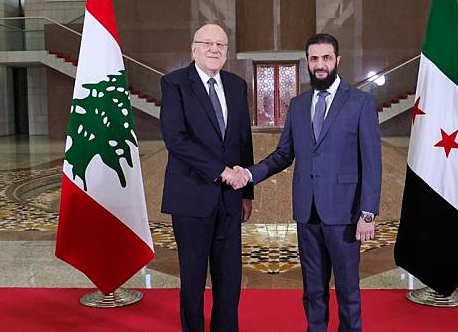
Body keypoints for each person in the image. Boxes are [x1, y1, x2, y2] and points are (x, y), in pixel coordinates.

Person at [226, 33, 382, 332]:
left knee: (348, 291)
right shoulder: (298, 105)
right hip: (307, 213)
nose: (320, 65)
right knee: (313, 289)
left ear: (337, 59)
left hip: (346, 214)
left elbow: (372, 163)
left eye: (326, 58)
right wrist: (248, 174)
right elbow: (283, 154)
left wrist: (367, 214)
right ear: (307, 63)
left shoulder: (360, 102)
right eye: (314, 59)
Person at [159, 23, 254, 332]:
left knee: (230, 276)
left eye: (221, 45)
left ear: (227, 52)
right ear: (194, 49)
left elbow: (242, 139)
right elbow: (176, 140)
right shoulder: (174, 84)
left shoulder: (237, 85)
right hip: (191, 196)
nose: (215, 49)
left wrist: (247, 192)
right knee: (194, 276)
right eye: (208, 44)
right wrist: (221, 171)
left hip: (230, 199)